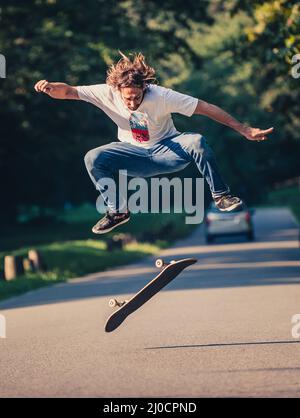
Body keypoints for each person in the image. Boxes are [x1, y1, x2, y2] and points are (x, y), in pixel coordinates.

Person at [34, 52, 273, 234]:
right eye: (128, 98)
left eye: (137, 96)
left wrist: (243, 129)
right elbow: (68, 92)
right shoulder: (105, 92)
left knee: (197, 141)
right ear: (118, 90)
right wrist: (51, 88)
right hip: (132, 155)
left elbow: (206, 108)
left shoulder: (162, 95)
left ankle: (221, 196)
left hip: (168, 151)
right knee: (92, 157)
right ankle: (118, 211)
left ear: (145, 88)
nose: (133, 102)